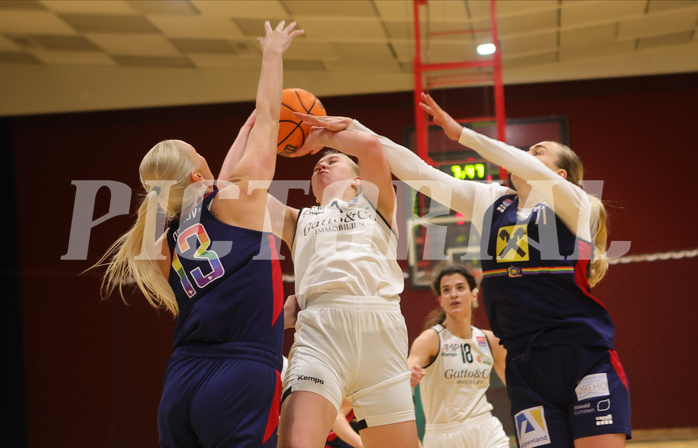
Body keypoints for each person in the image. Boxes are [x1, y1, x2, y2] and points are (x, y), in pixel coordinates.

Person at [297, 94, 631, 448]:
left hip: (580, 355)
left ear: (560, 175)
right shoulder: (491, 202)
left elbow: (529, 168)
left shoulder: (576, 206)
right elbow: (417, 171)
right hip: (524, 363)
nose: (526, 155)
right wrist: (351, 131)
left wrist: (462, 134)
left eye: (537, 151)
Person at [94, 21, 302, 447]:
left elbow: (215, 186)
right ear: (195, 170)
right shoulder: (233, 201)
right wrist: (272, 55)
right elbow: (269, 118)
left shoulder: (165, 237)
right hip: (240, 376)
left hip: (183, 380)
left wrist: (242, 136)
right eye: (195, 149)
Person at [272, 126, 420, 448]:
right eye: (316, 167)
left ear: (358, 179)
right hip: (321, 331)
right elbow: (243, 196)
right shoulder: (298, 218)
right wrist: (268, 127)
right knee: (296, 442)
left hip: (381, 329)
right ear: (312, 191)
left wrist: (320, 137)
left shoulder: (374, 205)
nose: (321, 165)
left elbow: (369, 145)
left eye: (332, 160)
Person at [408, 264, 509, 448]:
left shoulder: (490, 341)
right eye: (446, 290)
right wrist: (409, 375)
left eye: (460, 288)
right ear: (441, 300)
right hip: (443, 436)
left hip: (486, 428)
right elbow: (406, 372)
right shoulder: (431, 339)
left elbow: (517, 388)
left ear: (474, 295)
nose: (453, 294)